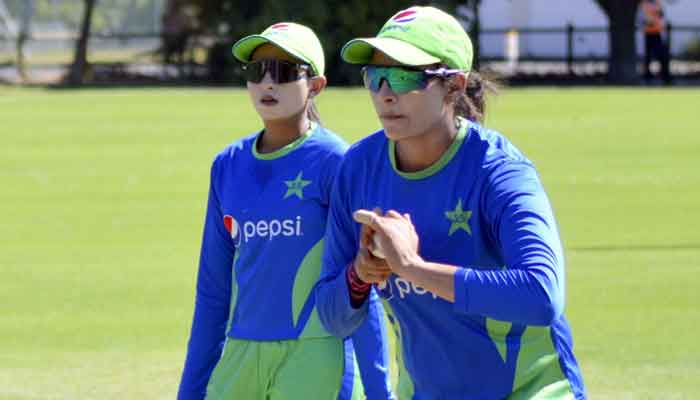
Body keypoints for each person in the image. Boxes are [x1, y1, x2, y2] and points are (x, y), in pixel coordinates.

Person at [315, 6, 586, 399]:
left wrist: (411, 267)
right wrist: (361, 274)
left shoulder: (498, 170)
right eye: (375, 76)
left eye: (406, 75)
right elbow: (332, 315)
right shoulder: (358, 169)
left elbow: (542, 295)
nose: (386, 93)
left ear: (454, 85)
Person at [177, 22, 394, 400]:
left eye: (284, 72)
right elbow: (213, 291)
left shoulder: (338, 162)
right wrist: (190, 391)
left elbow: (362, 286)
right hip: (241, 353)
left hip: (316, 354)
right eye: (257, 71)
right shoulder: (227, 165)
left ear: (316, 85)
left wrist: (379, 392)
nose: (267, 84)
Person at [640, 0, 671, 84]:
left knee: (662, 56)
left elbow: (662, 15)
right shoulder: (643, 3)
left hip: (657, 33)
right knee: (648, 57)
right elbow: (641, 18)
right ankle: (647, 78)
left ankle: (665, 78)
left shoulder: (658, 2)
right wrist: (647, 22)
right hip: (648, 33)